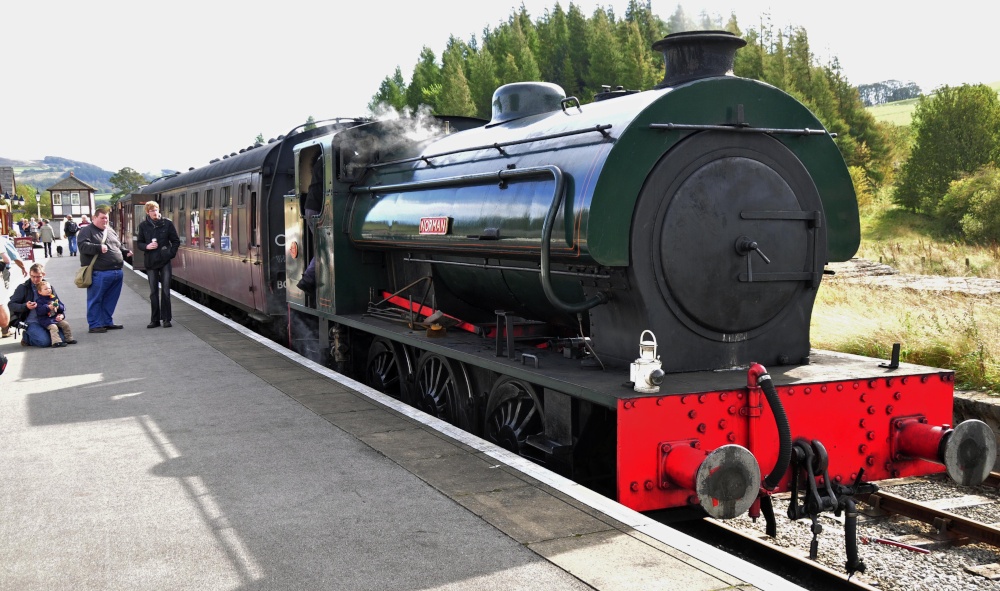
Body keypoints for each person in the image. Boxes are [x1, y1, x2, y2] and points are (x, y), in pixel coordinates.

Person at [78, 207, 131, 333]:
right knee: (95, 299)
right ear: (94, 218)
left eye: (106, 218)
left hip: (116, 271)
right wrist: (98, 247)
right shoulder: (86, 231)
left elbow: (118, 245)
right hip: (99, 272)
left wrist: (125, 252)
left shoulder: (110, 231)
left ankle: (107, 321)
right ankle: (94, 324)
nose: (105, 220)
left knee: (111, 299)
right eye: (102, 218)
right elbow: (82, 246)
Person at [136, 201, 179, 328]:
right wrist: (147, 246)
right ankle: (155, 320)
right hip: (151, 261)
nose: (154, 213)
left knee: (166, 290)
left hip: (165, 261)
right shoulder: (143, 226)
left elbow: (175, 241)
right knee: (153, 292)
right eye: (152, 211)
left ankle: (166, 319)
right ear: (147, 212)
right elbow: (139, 243)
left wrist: (170, 254)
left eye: (156, 210)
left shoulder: (167, 223)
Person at [7, 263, 61, 347]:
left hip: (48, 320)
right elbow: (11, 305)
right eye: (33, 276)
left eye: (38, 277)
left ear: (43, 275)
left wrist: (60, 313)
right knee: (45, 342)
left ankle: (38, 334)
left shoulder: (48, 287)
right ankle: (27, 337)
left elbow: (58, 303)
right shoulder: (23, 287)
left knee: (61, 339)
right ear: (30, 274)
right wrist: (26, 306)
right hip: (32, 321)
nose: (35, 279)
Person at [297, 153, 323, 294]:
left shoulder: (320, 161)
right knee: (326, 248)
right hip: (317, 208)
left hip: (312, 207)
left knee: (323, 246)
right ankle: (307, 280)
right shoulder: (330, 160)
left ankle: (309, 279)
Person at [33, 280, 76, 347]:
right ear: (40, 292)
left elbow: (62, 307)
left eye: (49, 288)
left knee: (65, 324)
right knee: (53, 327)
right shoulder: (39, 301)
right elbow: (40, 311)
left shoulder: (53, 297)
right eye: (45, 289)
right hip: (46, 320)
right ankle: (56, 342)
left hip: (55, 318)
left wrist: (59, 308)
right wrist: (48, 307)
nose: (48, 290)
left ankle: (68, 338)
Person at [1, 233, 28, 338]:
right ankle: (5, 329)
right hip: (1, 273)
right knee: (2, 300)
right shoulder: (2, 241)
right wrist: (23, 267)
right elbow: (14, 257)